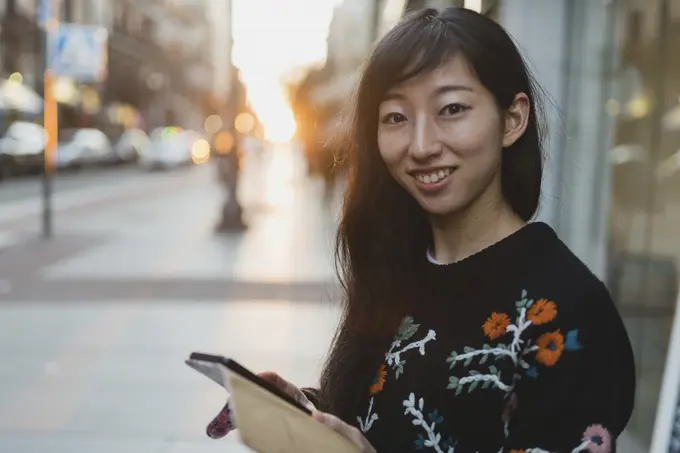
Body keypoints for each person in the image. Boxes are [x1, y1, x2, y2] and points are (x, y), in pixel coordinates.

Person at [205, 7, 636, 453]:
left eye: (452, 109)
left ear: (512, 120)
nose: (422, 145)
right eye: (396, 117)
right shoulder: (398, 270)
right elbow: (389, 426)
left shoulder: (569, 308)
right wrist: (308, 414)